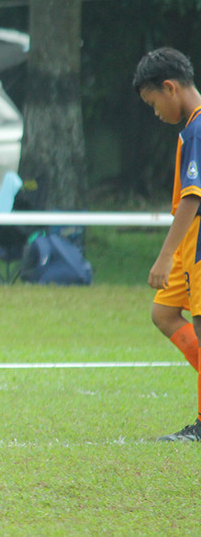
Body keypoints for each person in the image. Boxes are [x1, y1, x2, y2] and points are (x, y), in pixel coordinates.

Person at [133, 47, 201, 441]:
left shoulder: (197, 128)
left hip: (195, 245)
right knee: (164, 313)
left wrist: (164, 255)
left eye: (153, 102)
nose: (155, 111)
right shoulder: (189, 127)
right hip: (189, 246)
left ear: (170, 87)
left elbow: (193, 196)